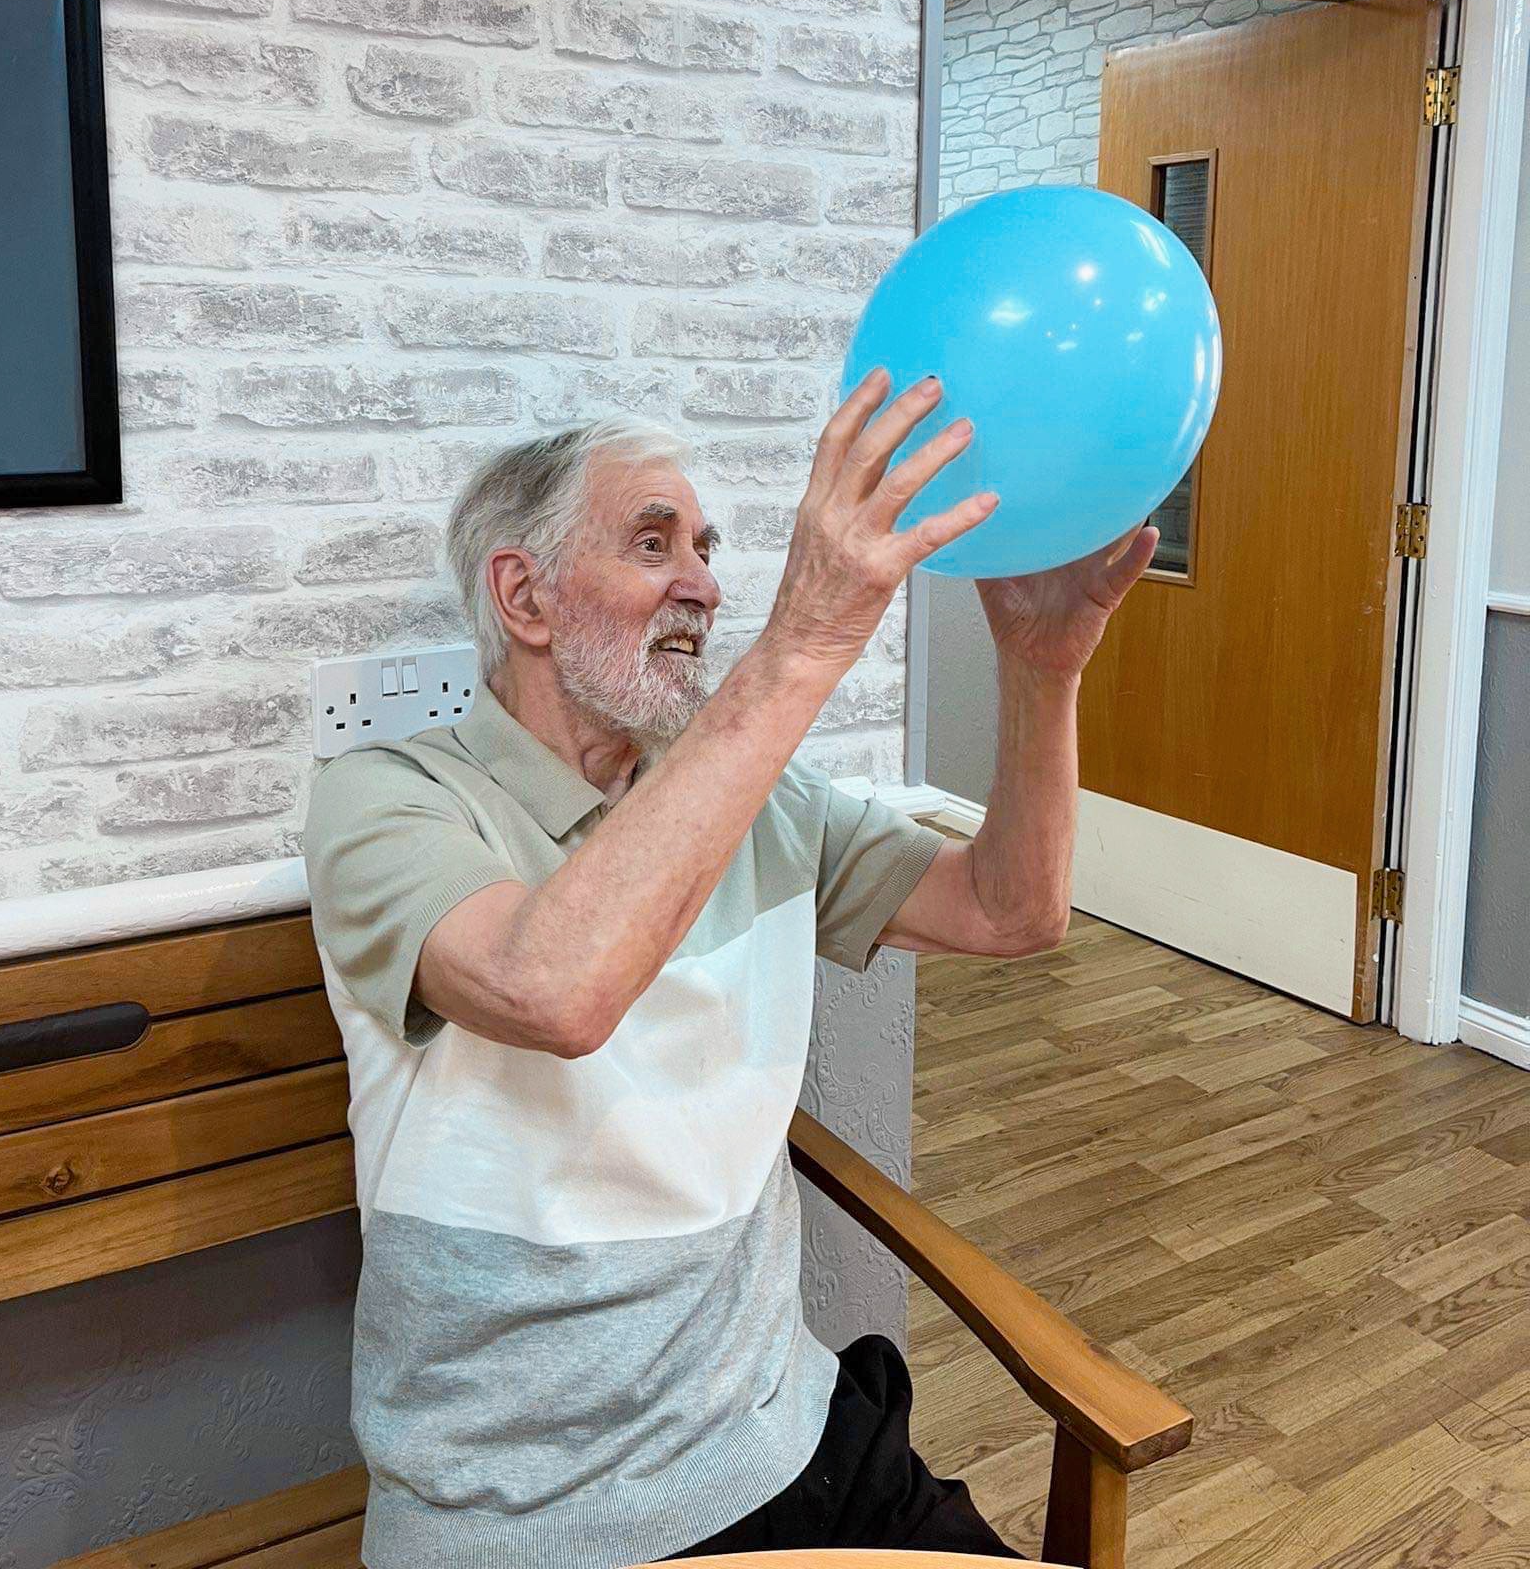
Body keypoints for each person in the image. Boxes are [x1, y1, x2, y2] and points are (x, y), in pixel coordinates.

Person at [303, 370, 1156, 1569]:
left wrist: (1043, 666)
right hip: (532, 1512)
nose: (705, 583)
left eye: (707, 547)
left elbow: (1012, 910)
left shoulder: (760, 801)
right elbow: (556, 989)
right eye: (654, 542)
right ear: (523, 593)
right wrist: (805, 640)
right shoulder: (388, 799)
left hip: (791, 1437)